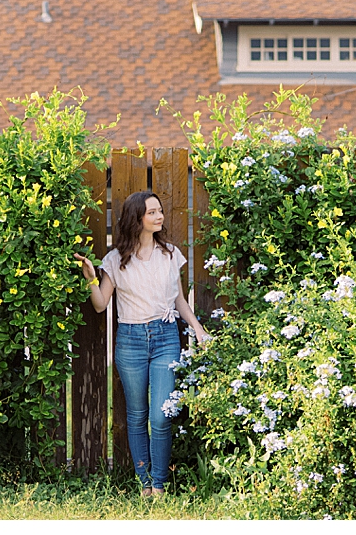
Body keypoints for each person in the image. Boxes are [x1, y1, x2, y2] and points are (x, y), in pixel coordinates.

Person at [76, 190, 211, 498]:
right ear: (137, 219)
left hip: (165, 337)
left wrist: (198, 330)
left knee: (161, 415)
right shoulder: (115, 260)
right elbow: (100, 305)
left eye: (160, 211)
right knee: (136, 415)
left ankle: (161, 485)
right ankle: (144, 485)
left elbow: (178, 299)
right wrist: (90, 278)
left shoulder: (169, 254)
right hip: (131, 340)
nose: (159, 216)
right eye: (152, 212)